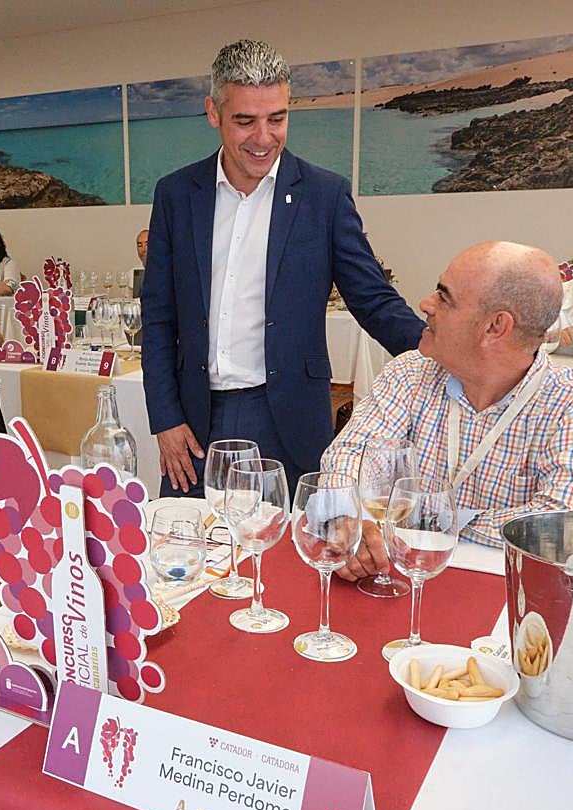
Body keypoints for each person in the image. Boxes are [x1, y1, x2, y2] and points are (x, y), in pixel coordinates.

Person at [142, 39, 424, 498]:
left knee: (288, 562)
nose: (263, 138)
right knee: (190, 559)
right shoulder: (175, 194)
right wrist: (165, 417)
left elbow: (373, 300)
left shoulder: (324, 195)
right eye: (245, 121)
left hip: (288, 420)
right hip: (193, 423)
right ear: (213, 112)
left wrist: (441, 351)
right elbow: (158, 315)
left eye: (277, 119)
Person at [322, 241, 573, 581]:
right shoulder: (410, 373)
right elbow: (347, 455)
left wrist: (425, 518)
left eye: (443, 296)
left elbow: (556, 528)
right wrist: (349, 517)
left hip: (498, 603)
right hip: (399, 579)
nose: (425, 304)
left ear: (495, 327)